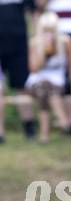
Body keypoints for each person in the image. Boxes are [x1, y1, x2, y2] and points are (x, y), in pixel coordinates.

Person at [26, 12, 71, 143]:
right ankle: (63, 121)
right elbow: (33, 69)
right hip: (37, 80)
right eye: (45, 30)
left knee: (45, 90)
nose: (48, 33)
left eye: (51, 30)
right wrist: (45, 54)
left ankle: (45, 134)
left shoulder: (66, 42)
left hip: (57, 81)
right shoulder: (34, 43)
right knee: (44, 86)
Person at [0, 0, 36, 139]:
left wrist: (36, 39)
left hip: (19, 45)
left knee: (22, 86)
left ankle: (29, 127)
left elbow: (33, 13)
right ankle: (1, 132)